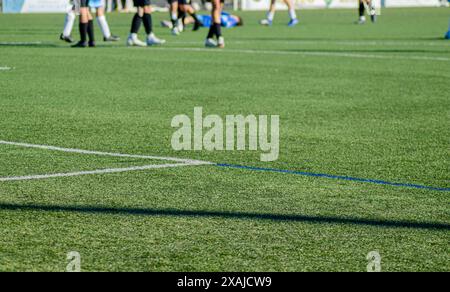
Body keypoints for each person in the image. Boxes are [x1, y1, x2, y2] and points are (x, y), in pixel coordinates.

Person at [161, 11, 242, 29]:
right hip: (207, 18)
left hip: (207, 20)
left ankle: (172, 24)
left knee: (190, 19)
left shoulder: (232, 20)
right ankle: (177, 24)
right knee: (190, 19)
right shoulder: (228, 16)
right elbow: (221, 12)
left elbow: (226, 24)